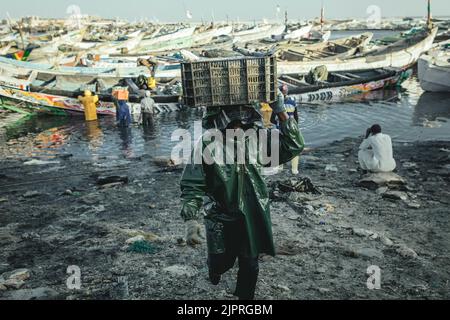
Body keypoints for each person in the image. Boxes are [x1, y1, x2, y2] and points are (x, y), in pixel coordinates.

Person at [179, 98, 305, 300]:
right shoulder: (207, 143)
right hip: (220, 215)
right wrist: (191, 220)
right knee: (221, 261)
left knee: (251, 264)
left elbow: (294, 145)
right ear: (221, 122)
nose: (238, 127)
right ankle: (216, 269)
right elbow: (192, 184)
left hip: (253, 213)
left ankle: (245, 299)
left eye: (243, 122)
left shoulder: (259, 138)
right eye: (233, 123)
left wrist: (280, 111)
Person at [272, 85, 300, 174]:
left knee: (280, 147)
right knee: (294, 146)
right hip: (291, 128)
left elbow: (272, 119)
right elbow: (296, 116)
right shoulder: (292, 101)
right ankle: (294, 169)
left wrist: (276, 124)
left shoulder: (278, 103)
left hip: (281, 128)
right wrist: (295, 127)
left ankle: (280, 167)